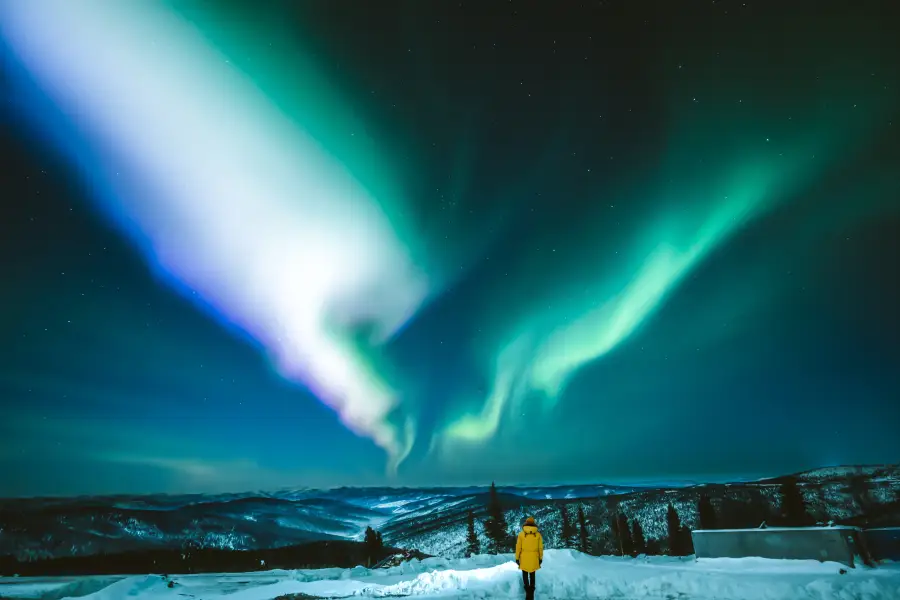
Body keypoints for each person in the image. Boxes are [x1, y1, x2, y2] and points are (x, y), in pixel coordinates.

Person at [515, 516, 543, 599]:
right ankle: (532, 591)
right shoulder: (538, 535)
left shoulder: (521, 534)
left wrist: (517, 558)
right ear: (534, 524)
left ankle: (527, 591)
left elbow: (518, 547)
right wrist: (540, 558)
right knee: (532, 573)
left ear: (526, 524)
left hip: (524, 557)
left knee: (525, 573)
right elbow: (540, 548)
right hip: (534, 557)